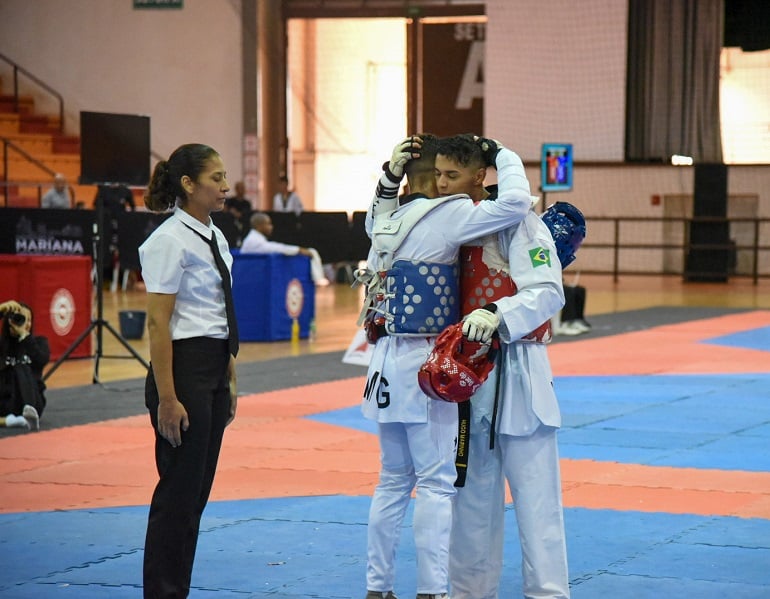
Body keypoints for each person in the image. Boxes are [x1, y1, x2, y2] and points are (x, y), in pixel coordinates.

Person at [359, 133, 534, 599]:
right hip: (425, 361)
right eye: (438, 175)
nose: (443, 182)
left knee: (392, 480)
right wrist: (505, 156)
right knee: (436, 483)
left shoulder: (385, 220)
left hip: (382, 362)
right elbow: (517, 203)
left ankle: (377, 588)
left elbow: (374, 212)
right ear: (430, 180)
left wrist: (387, 174)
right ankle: (433, 591)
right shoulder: (450, 213)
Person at [434, 135, 570, 598]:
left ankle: (548, 594)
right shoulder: (447, 227)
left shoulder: (521, 224)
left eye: (452, 175)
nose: (441, 184)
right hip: (468, 381)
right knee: (468, 502)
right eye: (437, 175)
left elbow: (549, 291)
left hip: (520, 371)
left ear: (479, 177)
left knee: (537, 505)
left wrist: (498, 314)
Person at [138, 143, 239, 599]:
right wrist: (167, 397)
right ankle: (162, 592)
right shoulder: (167, 240)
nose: (224, 185)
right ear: (188, 184)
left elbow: (221, 310)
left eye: (224, 176)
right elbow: (159, 323)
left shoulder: (214, 235)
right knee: (178, 494)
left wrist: (231, 374)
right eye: (215, 177)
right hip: (182, 370)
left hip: (214, 365)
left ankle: (176, 588)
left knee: (196, 495)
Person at [241, 212, 329, 286]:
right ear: (259, 226)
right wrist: (298, 250)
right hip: (251, 279)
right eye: (268, 224)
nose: (271, 227)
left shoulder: (256, 238)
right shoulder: (253, 240)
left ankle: (318, 277)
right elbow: (275, 248)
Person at [0, 300, 49, 432]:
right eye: (19, 319)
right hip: (4, 400)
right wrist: (1, 310)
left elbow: (41, 359)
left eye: (28, 320)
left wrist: (24, 336)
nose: (23, 324)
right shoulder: (2, 345)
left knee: (21, 368)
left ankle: (25, 416)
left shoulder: (39, 343)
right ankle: (9, 421)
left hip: (32, 402)